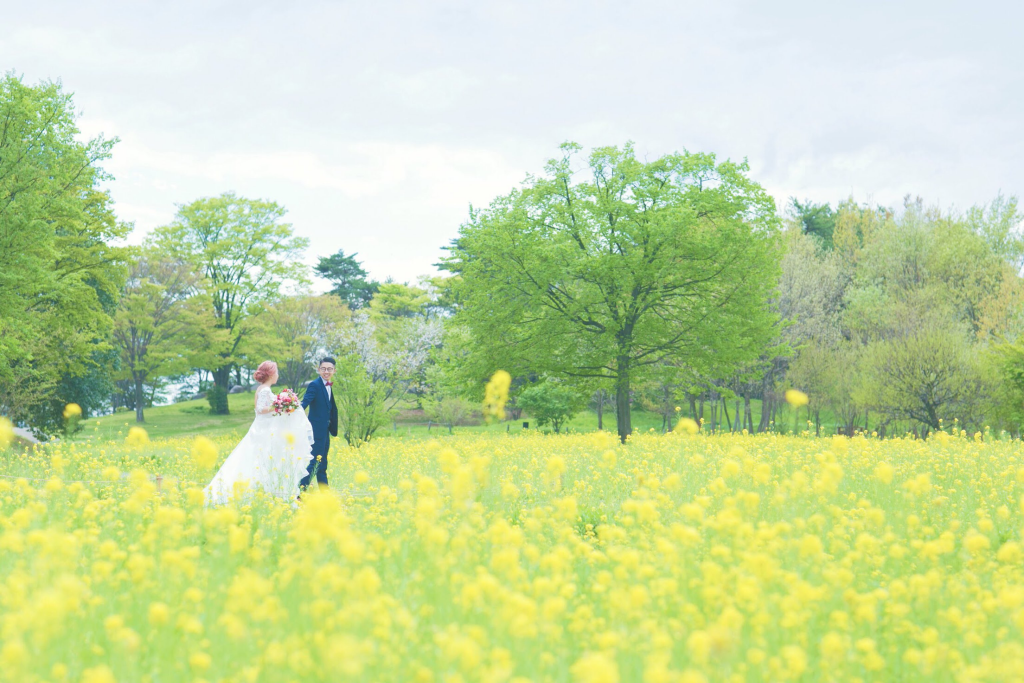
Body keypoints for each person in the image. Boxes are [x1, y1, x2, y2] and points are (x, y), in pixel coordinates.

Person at [204, 360, 314, 505]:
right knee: (259, 462)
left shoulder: (261, 388)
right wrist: (280, 405)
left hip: (262, 429)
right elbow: (261, 410)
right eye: (276, 372)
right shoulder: (265, 390)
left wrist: (281, 404)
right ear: (271, 374)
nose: (278, 375)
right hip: (263, 432)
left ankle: (265, 495)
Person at [300, 357, 338, 491]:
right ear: (318, 370)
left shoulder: (327, 385)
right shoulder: (315, 385)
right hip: (316, 431)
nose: (326, 371)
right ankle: (300, 491)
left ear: (334, 370)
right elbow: (305, 402)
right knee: (315, 461)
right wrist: (294, 411)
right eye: (323, 369)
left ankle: (325, 492)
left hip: (325, 430)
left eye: (329, 369)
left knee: (322, 463)